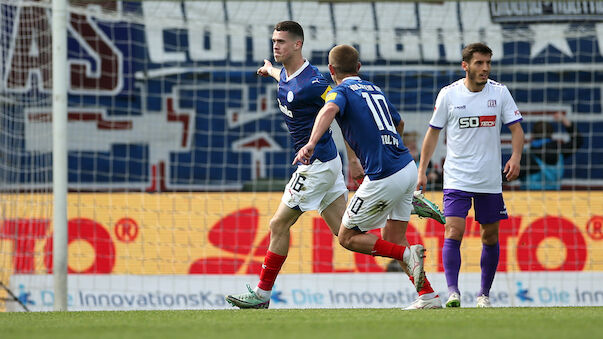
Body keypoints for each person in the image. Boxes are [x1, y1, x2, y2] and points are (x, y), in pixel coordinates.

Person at [225, 22, 443, 310]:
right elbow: (288, 81)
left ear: (297, 45)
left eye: (281, 41)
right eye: (274, 40)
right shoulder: (289, 76)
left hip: (315, 165)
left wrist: (317, 145)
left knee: (278, 223)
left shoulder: (318, 84)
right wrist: (270, 70)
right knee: (347, 235)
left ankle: (263, 294)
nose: (275, 45)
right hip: (346, 165)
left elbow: (335, 109)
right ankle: (427, 294)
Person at [294, 44, 443, 310]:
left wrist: (310, 143)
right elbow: (399, 124)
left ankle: (409, 255)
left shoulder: (340, 91)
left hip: (385, 175)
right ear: (359, 67)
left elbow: (328, 111)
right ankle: (428, 295)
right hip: (406, 167)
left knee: (347, 237)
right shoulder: (375, 90)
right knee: (394, 236)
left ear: (331, 70)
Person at [416, 42, 525, 308]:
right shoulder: (448, 95)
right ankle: (453, 292)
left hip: (489, 178)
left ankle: (483, 295)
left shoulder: (500, 93)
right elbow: (432, 134)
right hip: (457, 178)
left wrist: (516, 157)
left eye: (488, 63)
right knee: (453, 231)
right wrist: (422, 170)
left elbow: (517, 130)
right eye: (479, 63)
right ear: (465, 65)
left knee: (490, 236)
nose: (485, 68)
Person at [518, 112, 583, 190]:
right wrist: (564, 120)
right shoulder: (559, 151)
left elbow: (512, 175)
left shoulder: (527, 155)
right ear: (551, 134)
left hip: (529, 198)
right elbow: (578, 141)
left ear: (533, 135)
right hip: (554, 198)